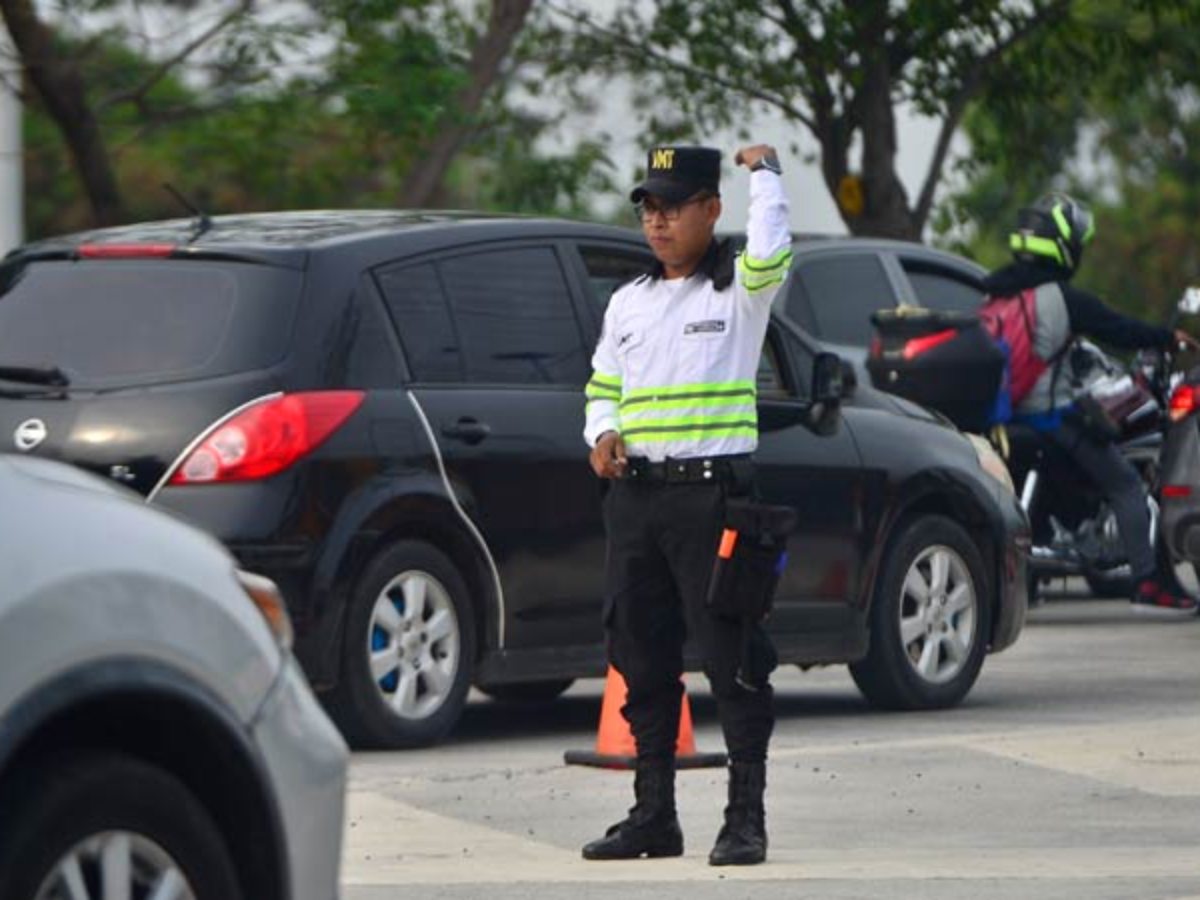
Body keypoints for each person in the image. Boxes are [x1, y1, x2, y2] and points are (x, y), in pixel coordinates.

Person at [580, 143, 792, 866]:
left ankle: (745, 820)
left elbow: (771, 254)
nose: (657, 221)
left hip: (712, 498)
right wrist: (602, 432)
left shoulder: (738, 292)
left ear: (710, 209)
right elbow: (602, 385)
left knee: (733, 657)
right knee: (639, 655)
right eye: (648, 208)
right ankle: (653, 816)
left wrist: (767, 177)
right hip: (636, 501)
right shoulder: (628, 302)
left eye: (673, 207)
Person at [986, 192, 1198, 616]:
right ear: (1063, 246)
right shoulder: (1061, 298)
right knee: (1126, 484)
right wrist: (1167, 337)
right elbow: (1118, 328)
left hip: (1001, 419)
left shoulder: (996, 291)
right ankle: (1147, 583)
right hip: (1049, 418)